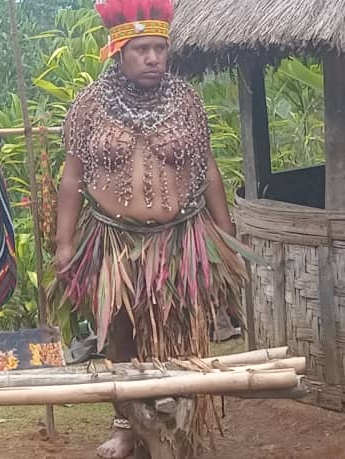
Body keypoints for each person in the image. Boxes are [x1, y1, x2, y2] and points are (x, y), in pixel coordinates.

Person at [51, 0, 251, 457]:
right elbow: (72, 177)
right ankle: (126, 426)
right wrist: (64, 243)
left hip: (182, 239)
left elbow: (209, 172)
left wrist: (226, 236)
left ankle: (181, 422)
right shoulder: (90, 106)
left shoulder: (186, 101)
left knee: (181, 329)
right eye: (141, 49)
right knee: (121, 334)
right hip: (113, 240)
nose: (153, 58)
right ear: (118, 52)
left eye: (160, 48)